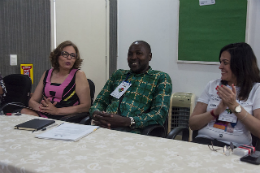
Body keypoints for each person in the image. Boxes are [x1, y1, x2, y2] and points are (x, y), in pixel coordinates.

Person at [90, 40, 172, 134]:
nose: (133, 57)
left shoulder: (160, 78)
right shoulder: (119, 75)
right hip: (102, 127)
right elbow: (99, 101)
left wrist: (126, 121)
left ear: (149, 56)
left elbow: (159, 115)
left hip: (133, 132)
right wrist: (97, 114)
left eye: (139, 53)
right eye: (130, 54)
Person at [189, 42, 260, 147]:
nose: (220, 67)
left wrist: (234, 106)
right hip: (204, 143)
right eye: (220, 62)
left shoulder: (256, 89)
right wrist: (215, 112)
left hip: (235, 148)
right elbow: (193, 124)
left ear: (240, 64)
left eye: (225, 63)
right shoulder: (212, 85)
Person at [21, 40, 91, 119]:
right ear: (57, 56)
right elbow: (32, 101)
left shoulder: (79, 75)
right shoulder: (47, 73)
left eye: (73, 55)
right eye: (65, 54)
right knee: (23, 112)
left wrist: (56, 111)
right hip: (45, 114)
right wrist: (43, 108)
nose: (69, 58)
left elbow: (86, 106)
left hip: (66, 116)